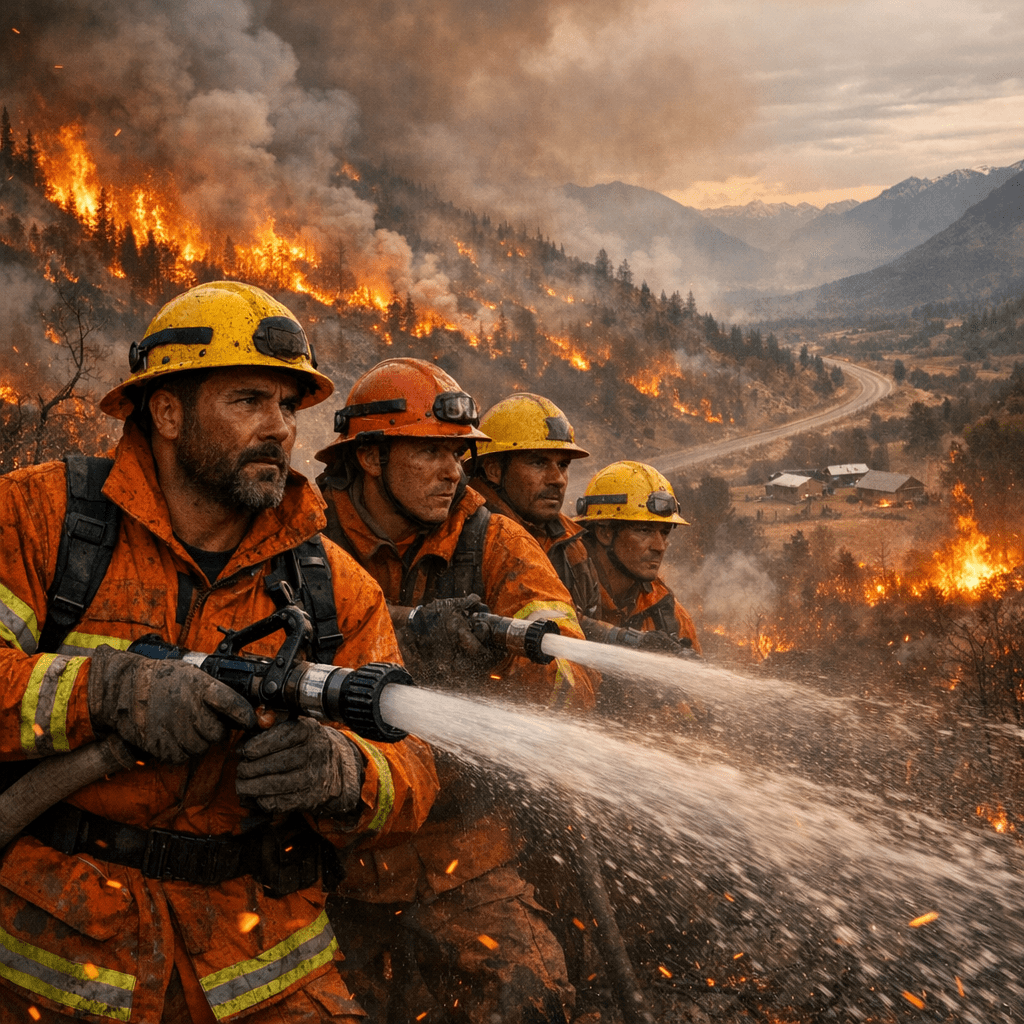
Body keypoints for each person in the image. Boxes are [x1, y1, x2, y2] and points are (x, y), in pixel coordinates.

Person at [0, 282, 438, 1023]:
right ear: (167, 411)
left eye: (289, 407)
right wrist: (106, 691)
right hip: (58, 967)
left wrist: (343, 771)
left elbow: (415, 767)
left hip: (264, 967)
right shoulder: (42, 521)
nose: (278, 429)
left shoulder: (329, 583)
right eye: (248, 401)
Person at [315, 358, 597, 1024]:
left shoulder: (494, 541)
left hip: (464, 851)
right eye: (431, 452)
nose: (453, 471)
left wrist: (503, 665)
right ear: (373, 458)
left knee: (531, 993)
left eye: (459, 454)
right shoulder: (303, 539)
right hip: (330, 856)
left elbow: (574, 675)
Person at [471, 393, 600, 621]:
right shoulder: (464, 535)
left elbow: (584, 629)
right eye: (538, 463)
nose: (557, 479)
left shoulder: (571, 547)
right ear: (493, 470)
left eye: (563, 465)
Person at [575, 461, 701, 655]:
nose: (660, 547)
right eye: (644, 530)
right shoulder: (560, 589)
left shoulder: (669, 614)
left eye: (665, 533)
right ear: (605, 532)